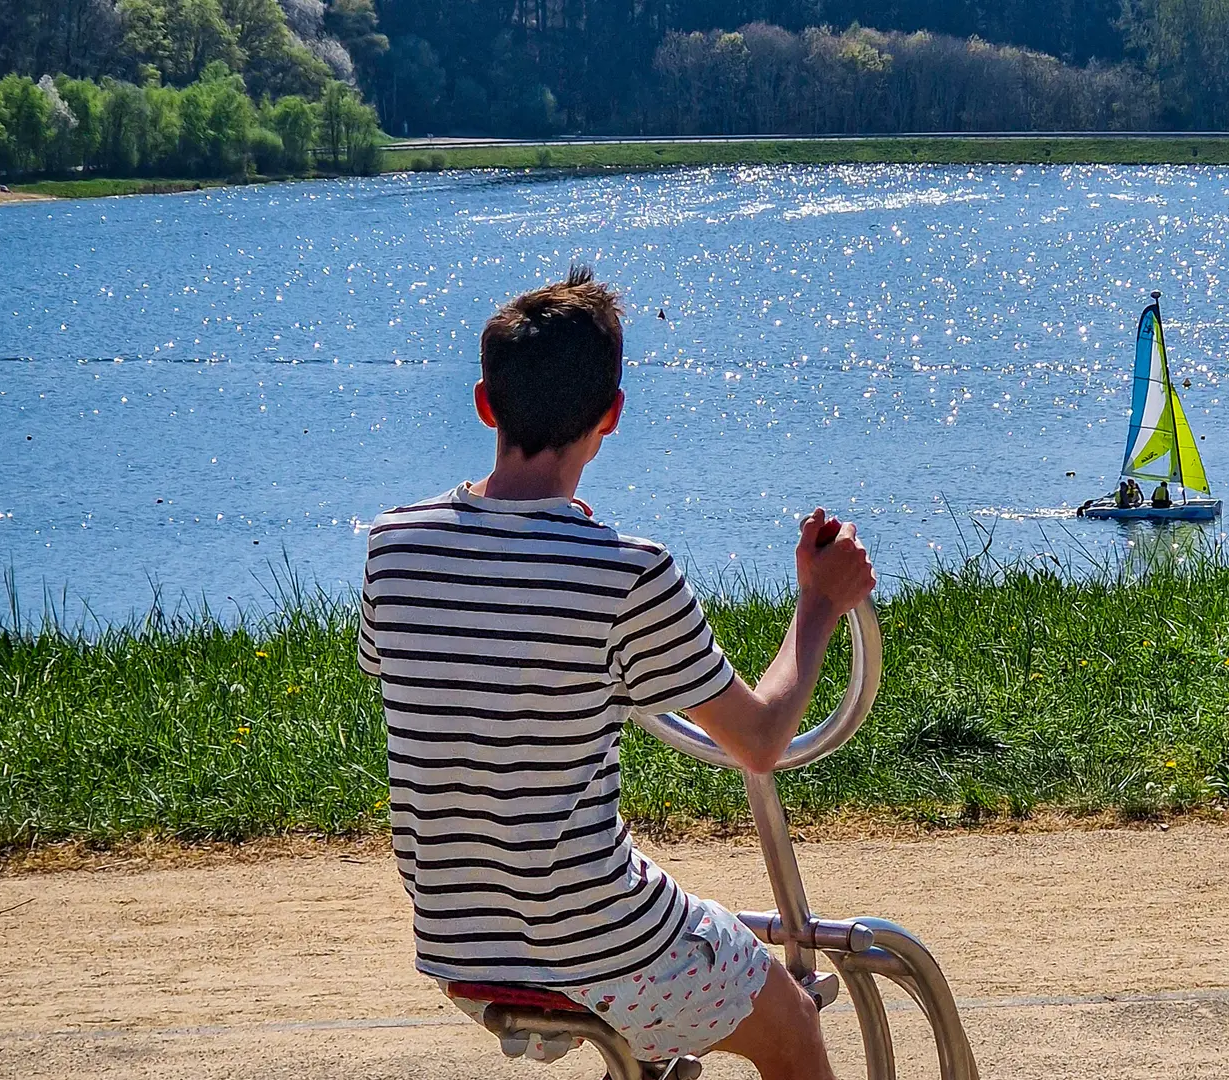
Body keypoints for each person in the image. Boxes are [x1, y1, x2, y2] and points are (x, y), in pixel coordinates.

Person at [357, 266, 872, 1080]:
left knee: (656, 1009)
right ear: (613, 415)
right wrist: (818, 605)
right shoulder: (625, 574)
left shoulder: (394, 547)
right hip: (596, 943)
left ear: (486, 403)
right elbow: (763, 739)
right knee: (792, 1025)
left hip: (458, 944)